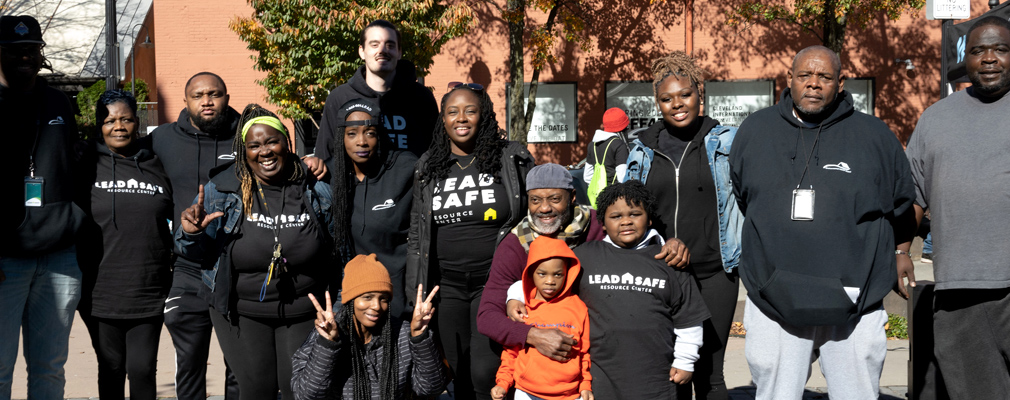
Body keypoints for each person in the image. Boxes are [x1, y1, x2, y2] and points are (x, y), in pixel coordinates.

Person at [729, 45, 915, 400]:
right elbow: (744, 195)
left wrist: (901, 251)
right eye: (805, 75)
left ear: (840, 82)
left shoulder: (874, 136)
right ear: (789, 78)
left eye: (824, 77)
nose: (813, 84)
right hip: (773, 295)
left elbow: (902, 202)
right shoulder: (755, 130)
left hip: (854, 297)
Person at [176, 104, 335, 400]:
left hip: (303, 310)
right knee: (256, 391)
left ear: (287, 144)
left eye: (272, 141)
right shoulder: (221, 191)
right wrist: (191, 233)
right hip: (241, 311)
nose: (265, 151)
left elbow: (340, 249)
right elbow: (192, 251)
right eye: (254, 145)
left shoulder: (314, 188)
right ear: (243, 151)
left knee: (298, 391)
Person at [507, 181, 709, 398]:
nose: (626, 221)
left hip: (656, 375)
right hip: (599, 375)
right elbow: (548, 278)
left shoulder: (668, 260)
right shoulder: (584, 257)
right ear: (602, 223)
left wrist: (686, 360)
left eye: (635, 214)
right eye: (616, 217)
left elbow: (688, 319)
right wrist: (516, 296)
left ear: (649, 219)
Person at [476, 162, 690, 366]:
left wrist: (668, 242)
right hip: (544, 339)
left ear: (572, 198)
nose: (544, 208)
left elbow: (636, 238)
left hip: (602, 339)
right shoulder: (516, 243)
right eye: (535, 200)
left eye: (554, 199)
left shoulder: (599, 225)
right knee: (483, 369)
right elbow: (487, 315)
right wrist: (533, 335)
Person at [622, 51, 743, 400]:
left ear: (699, 92)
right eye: (666, 98)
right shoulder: (642, 148)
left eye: (685, 94)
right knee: (670, 371)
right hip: (662, 271)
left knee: (709, 372)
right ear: (657, 102)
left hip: (715, 272)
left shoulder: (725, 141)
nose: (677, 103)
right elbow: (632, 210)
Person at [903, 16, 1010, 399]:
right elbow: (913, 195)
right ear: (966, 60)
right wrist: (899, 251)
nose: (990, 58)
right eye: (979, 50)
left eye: (1001, 49)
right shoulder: (936, 118)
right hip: (958, 291)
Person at [406, 83, 533, 400]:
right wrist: (415, 293)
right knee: (458, 373)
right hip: (447, 288)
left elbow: (536, 215)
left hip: (495, 284)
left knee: (486, 374)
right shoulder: (428, 167)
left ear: (484, 115)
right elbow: (416, 235)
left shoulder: (511, 158)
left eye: (470, 110)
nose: (461, 118)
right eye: (452, 111)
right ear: (443, 120)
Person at [0, 15, 86, 399]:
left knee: (50, 369)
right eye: (15, 51)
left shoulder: (59, 102)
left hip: (59, 257)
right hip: (5, 260)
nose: (24, 58)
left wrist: (76, 222)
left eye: (32, 50)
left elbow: (77, 165)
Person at [150, 71, 242, 400]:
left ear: (227, 98)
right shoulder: (163, 138)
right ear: (185, 101)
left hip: (236, 268)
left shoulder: (245, 137)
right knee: (189, 365)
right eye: (198, 95)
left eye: (215, 94)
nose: (207, 101)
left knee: (240, 367)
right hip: (186, 269)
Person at [76, 90, 173, 400]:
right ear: (98, 125)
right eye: (109, 120)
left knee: (143, 370)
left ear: (137, 122)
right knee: (112, 368)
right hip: (99, 290)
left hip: (149, 287)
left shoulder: (156, 164)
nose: (118, 126)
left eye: (126, 119)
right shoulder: (84, 164)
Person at [290, 254, 448, 399]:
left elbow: (430, 389)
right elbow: (306, 395)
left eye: (384, 298)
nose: (377, 306)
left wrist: (420, 338)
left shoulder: (402, 333)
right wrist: (328, 345)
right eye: (367, 297)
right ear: (350, 300)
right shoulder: (327, 332)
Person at [328, 98, 418, 319]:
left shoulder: (405, 168)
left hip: (396, 296)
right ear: (341, 138)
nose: (362, 141)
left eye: (369, 132)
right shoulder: (331, 175)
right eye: (352, 134)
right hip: (352, 296)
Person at [314, 19, 438, 160]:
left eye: (390, 45)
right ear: (362, 51)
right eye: (374, 44)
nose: (382, 50)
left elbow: (437, 151)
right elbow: (325, 157)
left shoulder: (421, 98)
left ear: (399, 52)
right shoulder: (340, 98)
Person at [492, 236, 592, 400]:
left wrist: (585, 385)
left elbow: (584, 352)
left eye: (558, 274)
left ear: (568, 273)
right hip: (526, 393)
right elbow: (511, 353)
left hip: (571, 394)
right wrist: (503, 382)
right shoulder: (522, 309)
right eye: (542, 274)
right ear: (531, 272)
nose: (550, 281)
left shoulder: (578, 307)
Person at [583, 107, 629, 208]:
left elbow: (587, 176)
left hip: (599, 198)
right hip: (615, 198)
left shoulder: (592, 145)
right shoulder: (619, 144)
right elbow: (622, 176)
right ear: (622, 127)